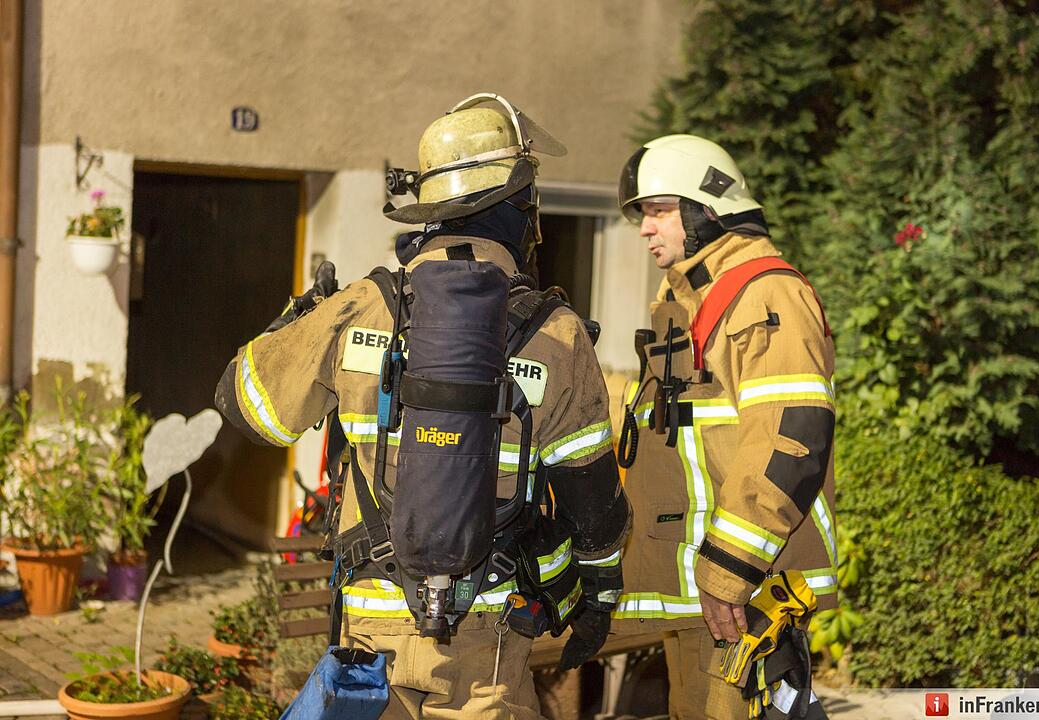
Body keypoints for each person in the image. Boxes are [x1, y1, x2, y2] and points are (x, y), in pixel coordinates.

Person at [215, 93, 630, 719]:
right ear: (520, 206)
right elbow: (591, 506)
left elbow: (246, 407)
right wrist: (596, 598)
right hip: (485, 638)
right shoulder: (556, 334)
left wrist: (296, 319)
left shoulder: (360, 307)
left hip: (368, 640)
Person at [612, 134, 837, 719]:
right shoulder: (686, 298)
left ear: (706, 208)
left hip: (743, 591)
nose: (645, 228)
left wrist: (730, 571)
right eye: (643, 214)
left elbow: (791, 439)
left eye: (659, 210)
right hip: (701, 588)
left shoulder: (766, 295)